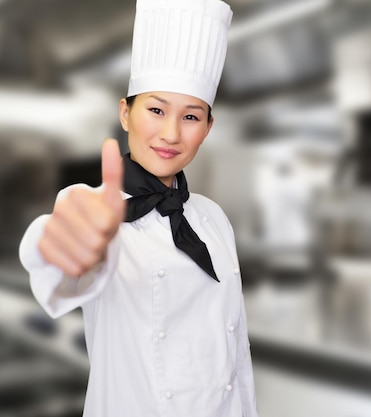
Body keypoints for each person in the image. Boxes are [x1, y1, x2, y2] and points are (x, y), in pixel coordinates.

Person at [18, 1, 259, 416]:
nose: (171, 133)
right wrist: (62, 245)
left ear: (208, 128)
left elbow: (238, 359)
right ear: (125, 114)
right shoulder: (100, 212)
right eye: (156, 109)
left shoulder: (214, 218)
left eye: (191, 116)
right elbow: (63, 254)